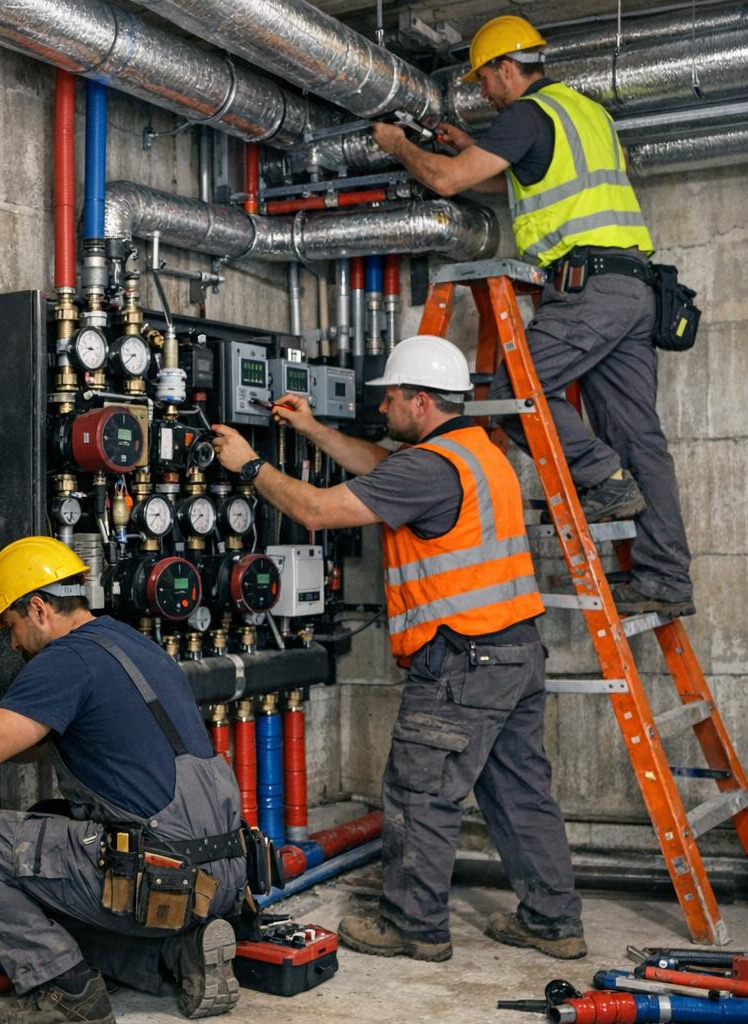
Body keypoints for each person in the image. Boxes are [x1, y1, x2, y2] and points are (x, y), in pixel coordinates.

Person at [211, 335, 586, 963]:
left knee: (420, 792)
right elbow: (378, 464)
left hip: (463, 661)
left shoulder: (427, 468)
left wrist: (250, 465)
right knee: (522, 793)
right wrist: (312, 429)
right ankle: (553, 921)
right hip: (516, 652)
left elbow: (317, 510)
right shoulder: (476, 452)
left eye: (390, 398)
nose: (382, 407)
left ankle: (413, 925)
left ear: (420, 400)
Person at [372, 14, 691, 618]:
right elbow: (526, 178)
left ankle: (601, 477)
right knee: (639, 437)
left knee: (512, 389)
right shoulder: (586, 113)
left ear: (507, 68)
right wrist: (475, 151)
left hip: (587, 289)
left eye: (485, 80)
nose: (482, 93)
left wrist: (401, 147)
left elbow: (442, 181)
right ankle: (666, 578)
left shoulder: (526, 114)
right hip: (632, 287)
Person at [0, 536, 245, 1024]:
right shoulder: (133, 643)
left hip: (162, 874)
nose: (12, 644)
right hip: (221, 876)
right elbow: (49, 741)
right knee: (54, 826)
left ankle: (69, 992)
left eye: (11, 626)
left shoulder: (64, 661)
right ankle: (177, 956)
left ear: (38, 609)